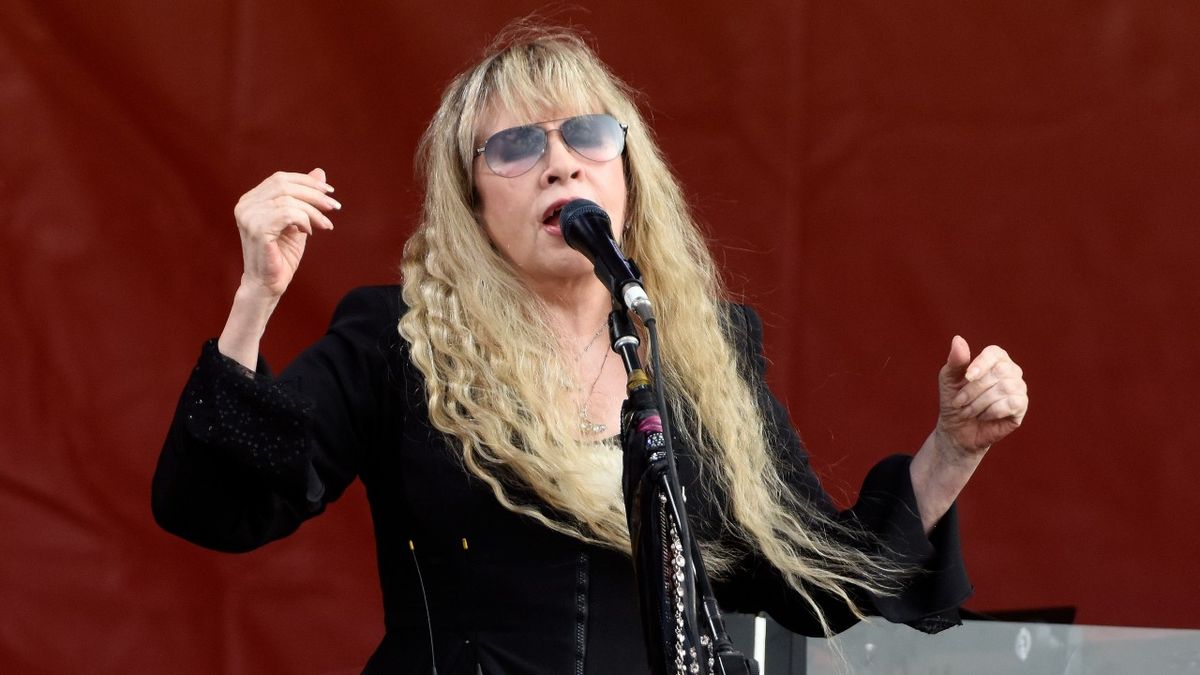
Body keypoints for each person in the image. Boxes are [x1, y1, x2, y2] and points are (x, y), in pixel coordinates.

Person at [152, 24, 1029, 675]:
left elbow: (812, 578)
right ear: (473, 203)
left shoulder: (697, 356)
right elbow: (217, 507)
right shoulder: (398, 339)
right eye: (516, 147)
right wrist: (255, 300)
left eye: (588, 136)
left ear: (627, 175)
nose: (559, 165)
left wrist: (951, 448)